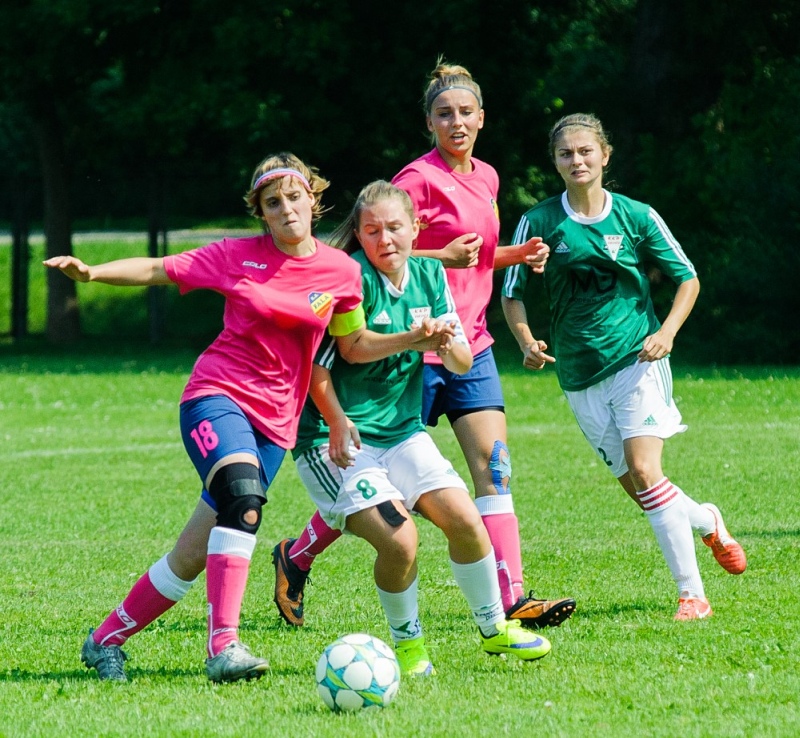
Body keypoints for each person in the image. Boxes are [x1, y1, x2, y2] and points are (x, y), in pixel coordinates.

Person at [44, 153, 451, 683]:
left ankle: (104, 641)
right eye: (272, 202)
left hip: (277, 424)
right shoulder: (237, 256)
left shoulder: (342, 272)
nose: (286, 210)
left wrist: (342, 412)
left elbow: (348, 346)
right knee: (244, 495)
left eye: (294, 197)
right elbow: (157, 269)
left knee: (192, 553)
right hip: (217, 396)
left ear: (313, 199)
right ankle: (224, 646)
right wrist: (93, 271)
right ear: (261, 212)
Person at [272, 60, 576, 631]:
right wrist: (431, 288)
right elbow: (388, 244)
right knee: (383, 480)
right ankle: (299, 553)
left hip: (466, 339)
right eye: (444, 114)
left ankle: (510, 600)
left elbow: (469, 254)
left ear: (482, 119)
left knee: (494, 467)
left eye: (465, 113)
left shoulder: (486, 176)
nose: (456, 123)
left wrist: (513, 256)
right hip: (406, 350)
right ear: (429, 123)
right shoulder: (416, 180)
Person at [293, 180, 551, 674]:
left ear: (416, 228)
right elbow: (331, 360)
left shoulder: (431, 274)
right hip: (335, 440)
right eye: (371, 230)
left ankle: (495, 629)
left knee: (466, 521)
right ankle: (409, 648)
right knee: (400, 539)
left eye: (394, 228)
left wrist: (447, 343)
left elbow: (457, 359)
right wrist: (414, 340)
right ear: (360, 235)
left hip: (402, 432)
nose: (384, 239)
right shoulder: (350, 280)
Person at [501, 113, 746, 621]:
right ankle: (706, 520)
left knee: (644, 471)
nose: (577, 160)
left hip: (637, 358)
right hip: (577, 374)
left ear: (605, 155)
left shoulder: (636, 215)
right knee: (643, 492)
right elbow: (512, 294)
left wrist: (667, 333)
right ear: (555, 162)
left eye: (586, 151)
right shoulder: (540, 221)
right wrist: (526, 340)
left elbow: (688, 279)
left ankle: (692, 596)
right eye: (566, 154)